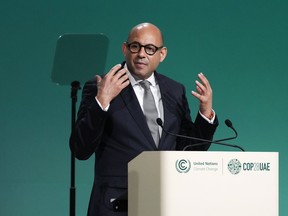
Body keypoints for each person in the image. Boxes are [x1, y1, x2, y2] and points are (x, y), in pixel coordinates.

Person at [70, 22, 218, 216]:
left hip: (165, 203)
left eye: (150, 49)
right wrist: (102, 100)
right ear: (125, 49)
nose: (141, 54)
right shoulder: (102, 85)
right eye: (135, 46)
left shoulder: (174, 91)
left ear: (162, 54)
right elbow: (81, 149)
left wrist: (205, 113)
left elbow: (187, 150)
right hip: (116, 206)